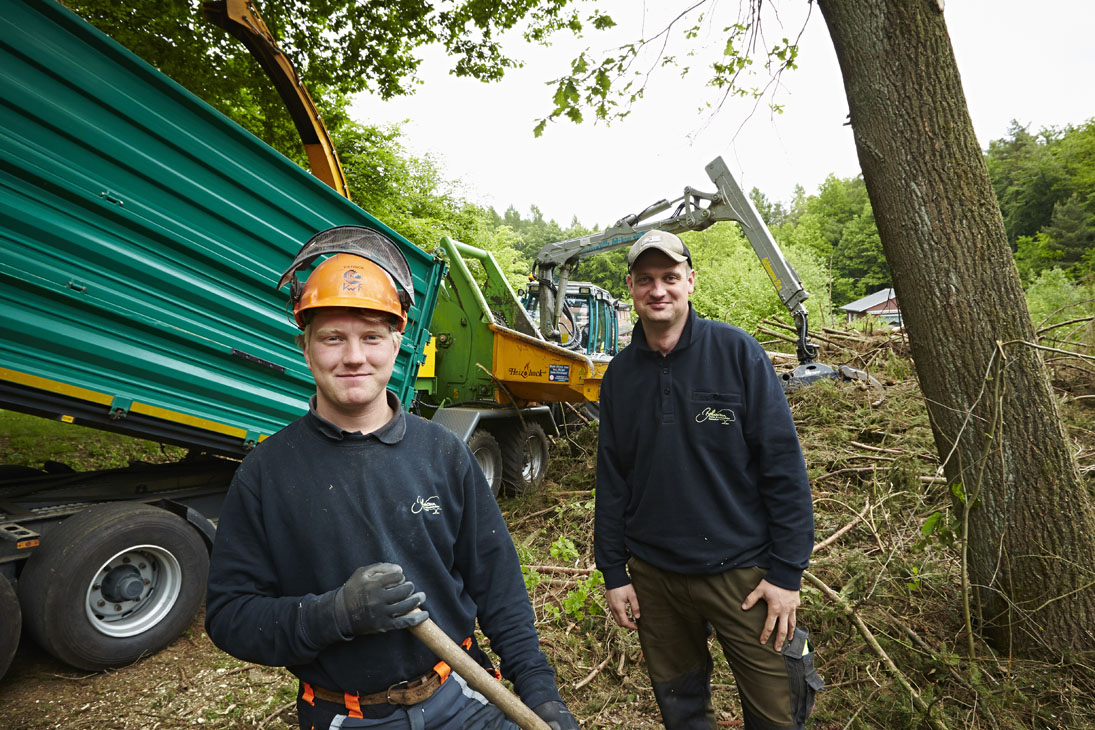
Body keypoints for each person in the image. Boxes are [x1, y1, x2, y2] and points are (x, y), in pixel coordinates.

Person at [206, 225, 579, 730]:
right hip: (347, 715)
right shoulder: (267, 472)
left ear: (397, 342)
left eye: (372, 337)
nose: (354, 356)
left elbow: (500, 589)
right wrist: (334, 614)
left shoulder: (443, 453)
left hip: (461, 696)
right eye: (333, 338)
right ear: (306, 347)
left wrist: (541, 693)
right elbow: (230, 618)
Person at [594, 230, 823, 730]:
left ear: (690, 282)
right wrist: (613, 571)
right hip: (655, 578)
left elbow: (783, 468)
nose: (659, 290)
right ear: (631, 287)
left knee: (777, 712)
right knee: (682, 710)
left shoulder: (737, 353)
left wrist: (787, 573)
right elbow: (612, 480)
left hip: (743, 577)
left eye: (670, 278)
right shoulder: (620, 375)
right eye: (647, 280)